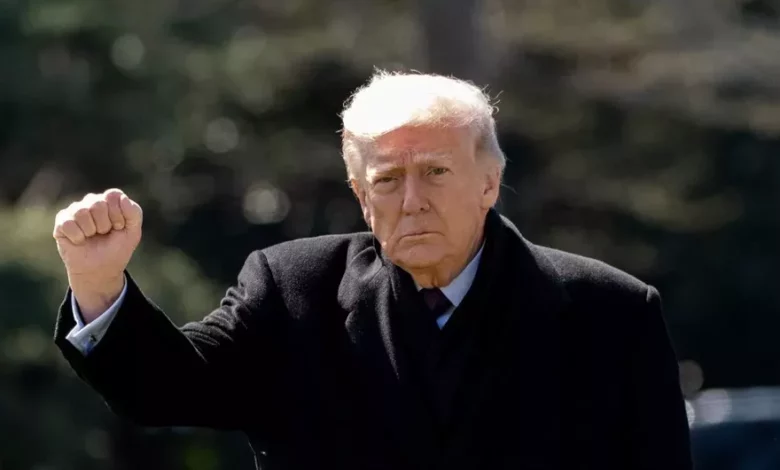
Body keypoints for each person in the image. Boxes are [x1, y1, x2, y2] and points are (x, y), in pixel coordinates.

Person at [52, 70, 693, 469]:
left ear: (490, 182)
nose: (412, 200)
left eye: (436, 172)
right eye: (387, 180)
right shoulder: (293, 289)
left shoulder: (610, 311)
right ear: (362, 198)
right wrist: (99, 285)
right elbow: (168, 389)